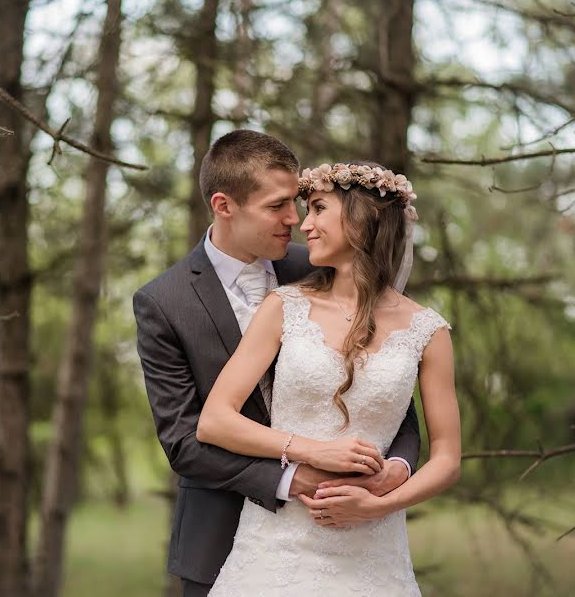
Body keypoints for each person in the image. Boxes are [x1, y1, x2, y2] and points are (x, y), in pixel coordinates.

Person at [133, 131, 423, 597]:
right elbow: (184, 441)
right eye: (277, 206)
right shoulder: (163, 302)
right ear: (224, 205)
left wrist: (398, 467)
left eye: (298, 203)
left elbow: (391, 395)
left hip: (346, 532)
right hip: (222, 538)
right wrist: (292, 475)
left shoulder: (323, 264)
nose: (295, 219)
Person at [196, 162, 461, 596]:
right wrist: (315, 452)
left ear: (364, 218)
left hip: (374, 555)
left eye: (319, 208)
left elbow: (448, 458)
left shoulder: (428, 331)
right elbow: (215, 421)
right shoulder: (284, 307)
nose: (305, 224)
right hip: (276, 546)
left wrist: (377, 505)